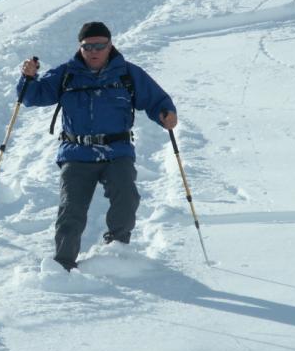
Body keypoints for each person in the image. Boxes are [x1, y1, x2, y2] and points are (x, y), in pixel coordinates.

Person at [18, 21, 177, 271]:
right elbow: (32, 97)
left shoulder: (127, 73)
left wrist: (166, 114)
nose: (93, 51)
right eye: (87, 46)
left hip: (117, 151)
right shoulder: (66, 74)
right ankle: (63, 264)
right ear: (80, 47)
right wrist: (28, 78)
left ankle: (117, 250)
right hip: (77, 153)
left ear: (110, 45)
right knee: (71, 210)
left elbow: (156, 99)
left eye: (99, 46)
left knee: (126, 197)